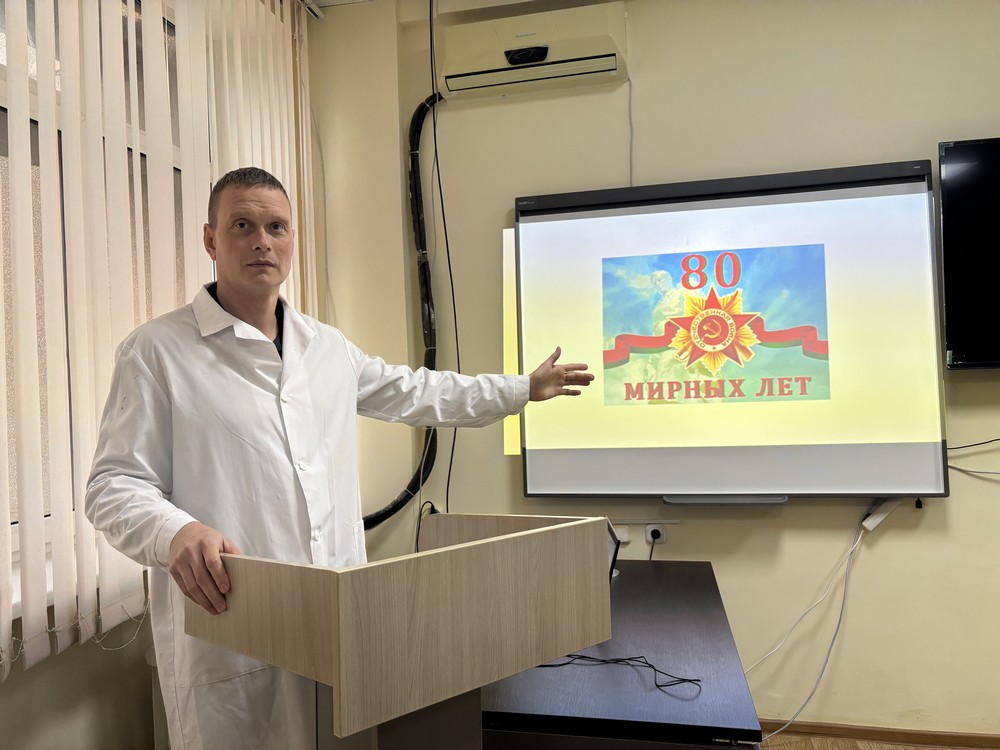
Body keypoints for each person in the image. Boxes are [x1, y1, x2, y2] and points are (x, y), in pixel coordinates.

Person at [85, 167, 594, 750]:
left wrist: (521, 389)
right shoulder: (156, 352)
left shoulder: (326, 348)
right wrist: (176, 531)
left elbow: (420, 392)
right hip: (231, 635)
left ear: (292, 240)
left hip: (336, 630)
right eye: (242, 226)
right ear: (210, 240)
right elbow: (113, 485)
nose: (261, 242)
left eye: (276, 227)